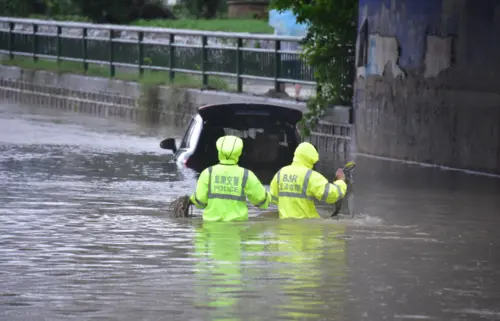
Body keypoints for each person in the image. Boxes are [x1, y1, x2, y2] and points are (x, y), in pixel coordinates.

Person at [189, 135, 272, 222]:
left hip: (211, 228)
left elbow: (200, 202)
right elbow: (261, 201)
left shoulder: (208, 173)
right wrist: (272, 197)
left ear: (219, 151)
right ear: (239, 152)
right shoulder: (246, 175)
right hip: (238, 228)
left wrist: (191, 199)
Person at [269, 142, 347, 219]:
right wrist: (341, 181)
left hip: (284, 226)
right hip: (307, 226)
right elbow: (331, 195)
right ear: (311, 159)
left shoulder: (280, 173)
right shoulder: (310, 176)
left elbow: (274, 199)